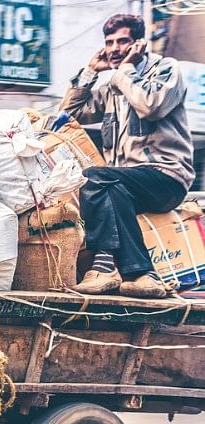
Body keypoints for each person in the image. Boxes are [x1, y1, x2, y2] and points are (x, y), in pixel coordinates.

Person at [62, 14, 194, 298]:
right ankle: (140, 274)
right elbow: (67, 116)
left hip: (165, 177)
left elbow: (151, 106)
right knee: (108, 186)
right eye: (109, 42)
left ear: (139, 44)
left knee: (94, 177)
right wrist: (89, 73)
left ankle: (104, 266)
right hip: (122, 184)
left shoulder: (166, 69)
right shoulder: (112, 88)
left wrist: (125, 70)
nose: (114, 48)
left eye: (122, 41)